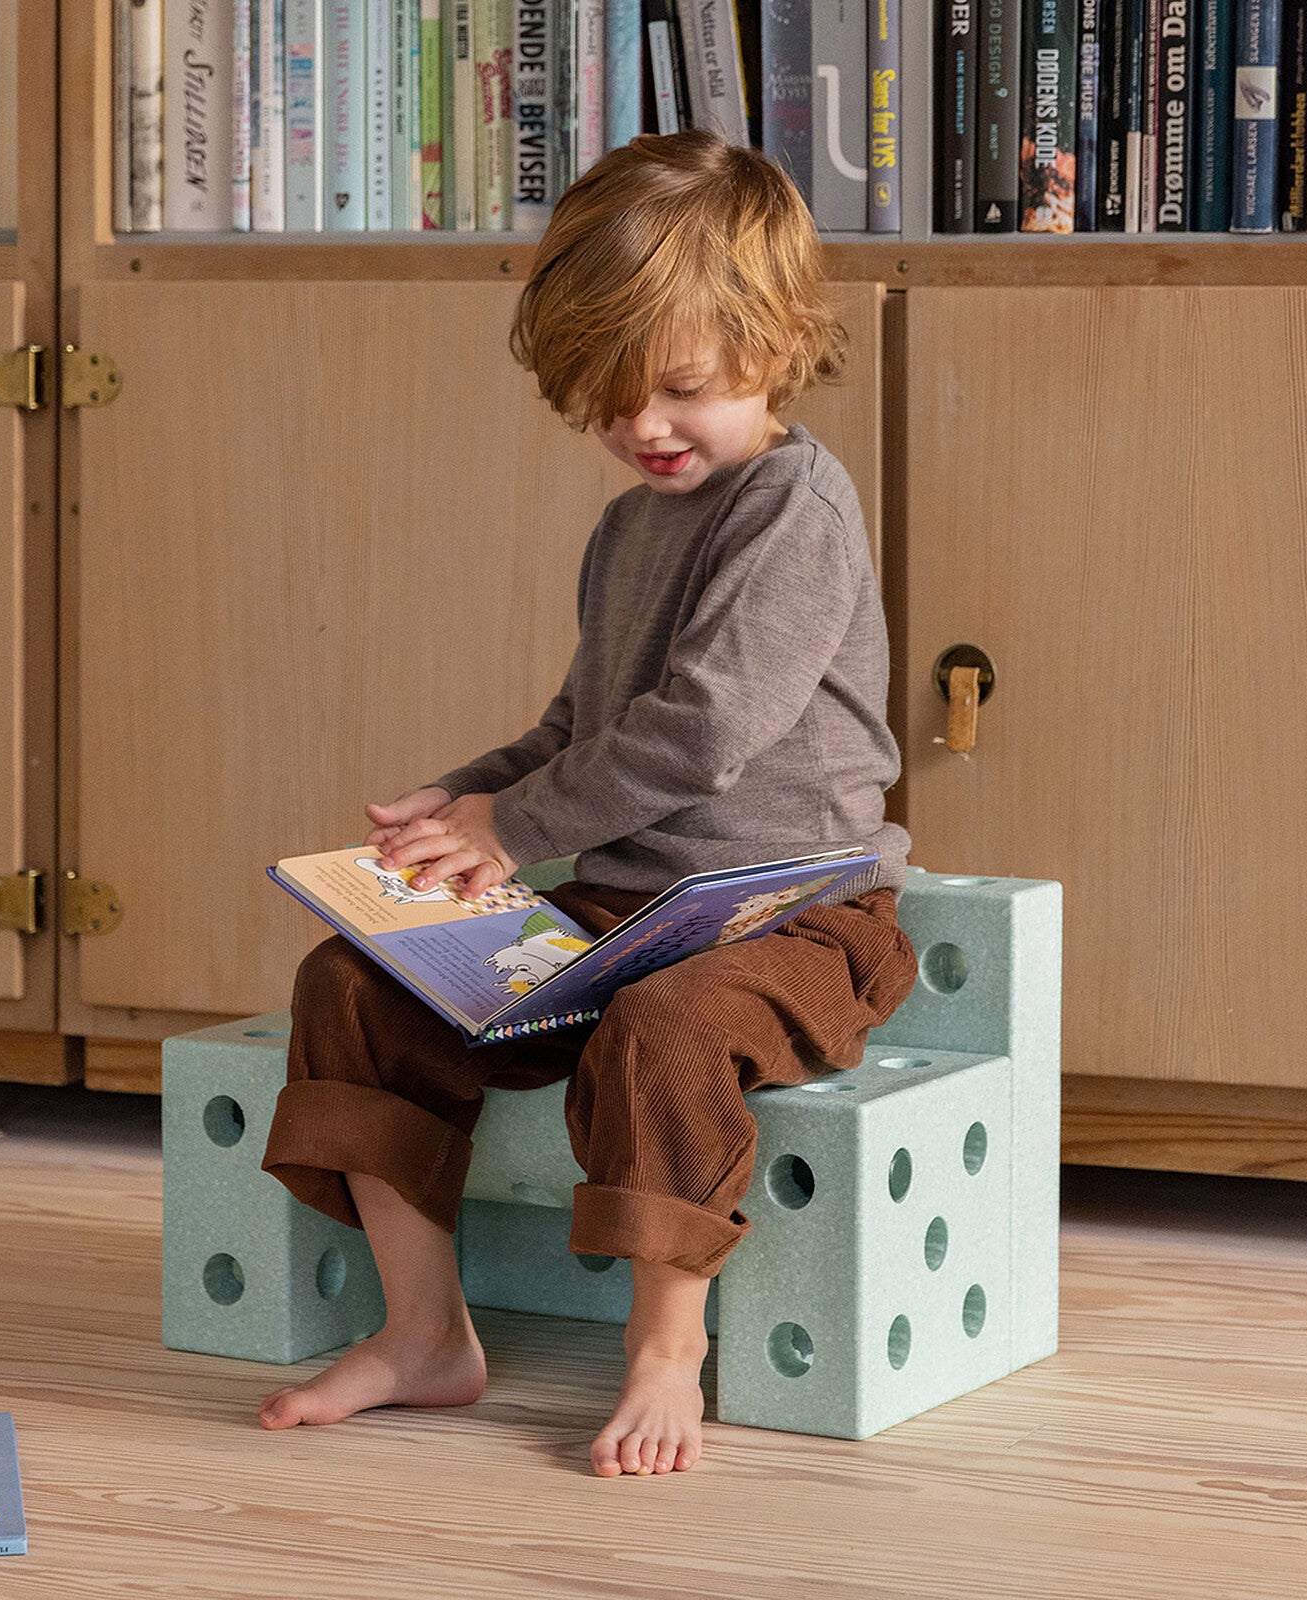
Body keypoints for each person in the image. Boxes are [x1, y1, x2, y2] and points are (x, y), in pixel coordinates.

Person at [258, 129, 918, 1477]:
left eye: (676, 388)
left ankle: (666, 1347)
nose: (643, 429)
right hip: (621, 908)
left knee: (662, 1031)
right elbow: (582, 731)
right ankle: (425, 1332)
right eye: (608, 401)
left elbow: (706, 732)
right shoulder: (632, 527)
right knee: (353, 984)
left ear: (780, 337)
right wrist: (470, 795)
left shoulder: (797, 506)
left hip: (790, 914)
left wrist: (517, 825)